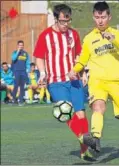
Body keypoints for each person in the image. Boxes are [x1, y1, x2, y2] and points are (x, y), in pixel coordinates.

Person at [69, 1, 119, 158]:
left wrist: (113, 39)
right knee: (98, 107)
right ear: (93, 17)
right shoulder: (89, 39)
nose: (100, 20)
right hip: (97, 81)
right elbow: (82, 59)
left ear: (109, 17)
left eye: (103, 17)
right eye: (97, 17)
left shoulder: (116, 34)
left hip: (117, 82)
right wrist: (75, 70)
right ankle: (95, 140)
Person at [33, 4, 93, 160]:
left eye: (68, 21)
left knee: (81, 114)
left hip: (74, 80)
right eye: (62, 21)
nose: (66, 24)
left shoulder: (74, 34)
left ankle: (84, 151)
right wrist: (42, 73)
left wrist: (83, 72)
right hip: (56, 81)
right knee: (66, 110)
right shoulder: (45, 35)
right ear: (55, 19)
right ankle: (83, 137)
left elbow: (79, 55)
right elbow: (39, 56)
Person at [11, 40, 30, 106]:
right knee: (16, 86)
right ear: (17, 46)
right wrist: (18, 51)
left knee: (22, 86)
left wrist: (28, 70)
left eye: (22, 45)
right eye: (19, 45)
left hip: (23, 72)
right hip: (16, 72)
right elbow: (13, 59)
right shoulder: (15, 52)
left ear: (23, 46)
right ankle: (13, 99)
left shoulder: (25, 53)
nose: (21, 46)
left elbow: (27, 62)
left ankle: (21, 100)